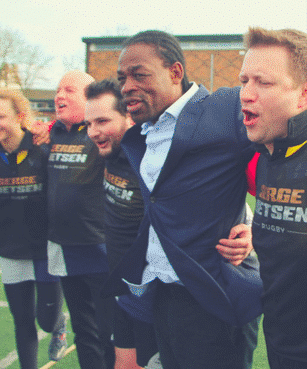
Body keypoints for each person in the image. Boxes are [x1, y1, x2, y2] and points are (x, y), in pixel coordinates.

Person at [110, 30, 260, 369]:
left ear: (175, 72)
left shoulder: (223, 107)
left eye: (139, 74)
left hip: (212, 295)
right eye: (122, 78)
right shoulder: (143, 132)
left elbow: (279, 159)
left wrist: (256, 228)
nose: (127, 86)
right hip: (163, 291)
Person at [0, 88, 68, 367]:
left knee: (46, 321)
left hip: (46, 248)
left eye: (0, 116)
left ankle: (59, 326)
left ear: (21, 117)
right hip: (9, 248)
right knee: (23, 321)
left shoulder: (43, 146)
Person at [237, 27, 307, 368]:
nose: (246, 94)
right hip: (280, 341)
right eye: (244, 80)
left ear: (303, 95)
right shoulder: (265, 154)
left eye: (263, 83)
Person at [40, 70, 118, 369]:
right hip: (65, 248)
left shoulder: (102, 132)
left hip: (101, 248)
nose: (59, 95)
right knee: (84, 331)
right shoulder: (50, 132)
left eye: (68, 90)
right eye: (58, 89)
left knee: (108, 329)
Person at [84, 78, 159, 369]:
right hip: (122, 285)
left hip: (153, 290)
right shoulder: (110, 151)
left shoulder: (149, 158)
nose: (93, 132)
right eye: (89, 123)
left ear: (129, 115)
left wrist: (247, 229)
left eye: (102, 121)